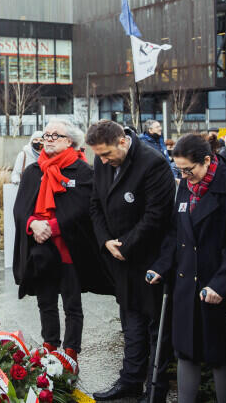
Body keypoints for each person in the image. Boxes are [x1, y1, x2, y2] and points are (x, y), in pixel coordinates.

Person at [147, 134, 226, 403]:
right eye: (179, 170)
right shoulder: (185, 186)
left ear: (207, 160)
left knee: (220, 353)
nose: (184, 176)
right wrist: (162, 266)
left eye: (188, 169)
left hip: (218, 283)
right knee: (186, 350)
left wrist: (221, 283)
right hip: (187, 281)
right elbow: (175, 232)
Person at [87, 120, 176, 403]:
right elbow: (95, 204)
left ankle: (155, 389)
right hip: (120, 258)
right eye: (99, 156)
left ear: (123, 142)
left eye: (106, 154)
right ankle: (130, 381)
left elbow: (156, 216)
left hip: (149, 258)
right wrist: (104, 241)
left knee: (154, 327)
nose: (102, 161)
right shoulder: (103, 160)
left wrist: (125, 245)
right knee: (131, 322)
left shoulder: (153, 163)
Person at [12, 120, 109, 363]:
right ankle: (49, 346)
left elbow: (83, 209)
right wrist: (33, 224)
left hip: (70, 251)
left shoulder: (82, 171)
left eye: (57, 135)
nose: (50, 138)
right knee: (46, 302)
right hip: (40, 250)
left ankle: (70, 352)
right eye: (47, 134)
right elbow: (21, 208)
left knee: (72, 305)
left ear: (70, 141)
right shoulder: (34, 172)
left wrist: (52, 227)